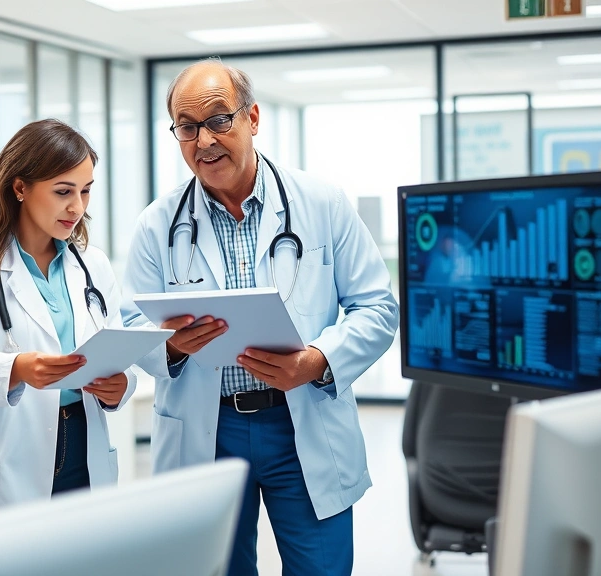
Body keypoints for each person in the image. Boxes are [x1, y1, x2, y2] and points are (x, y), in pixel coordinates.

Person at [120, 59, 399, 576]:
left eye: (218, 120)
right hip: (209, 428)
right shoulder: (157, 225)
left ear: (252, 118)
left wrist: (317, 361)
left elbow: (378, 308)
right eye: (187, 127)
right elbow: (130, 327)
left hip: (302, 421)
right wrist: (173, 345)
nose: (204, 141)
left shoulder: (322, 203)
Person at [0, 119, 134, 517]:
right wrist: (13, 370)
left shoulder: (91, 265)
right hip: (1, 459)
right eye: (63, 191)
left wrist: (120, 386)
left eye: (85, 191)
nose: (78, 207)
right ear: (20, 188)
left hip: (83, 447)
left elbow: (118, 351)